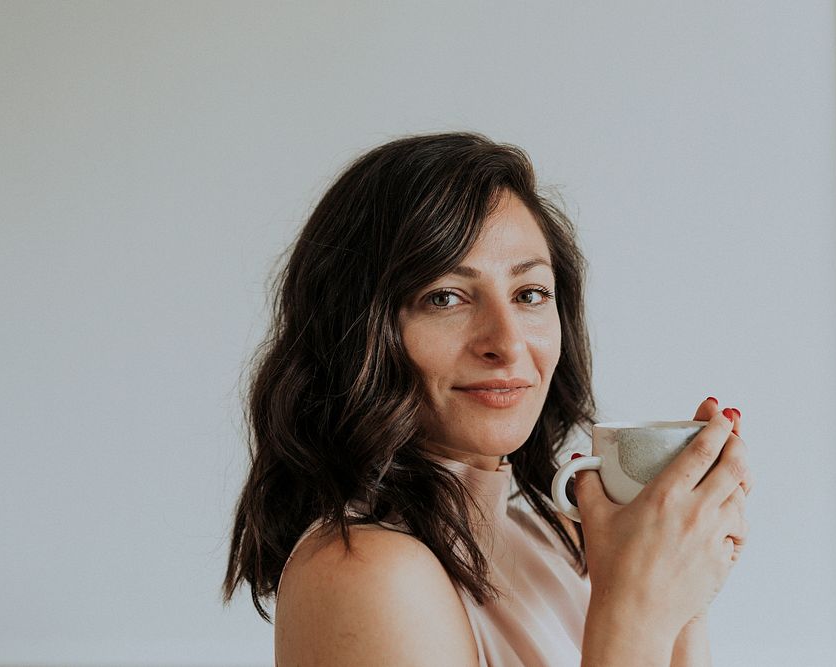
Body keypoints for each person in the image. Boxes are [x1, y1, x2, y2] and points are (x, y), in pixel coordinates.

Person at [221, 132, 752, 666]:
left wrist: (681, 588)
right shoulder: (363, 569)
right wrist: (636, 611)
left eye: (529, 294)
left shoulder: (551, 535)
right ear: (357, 330)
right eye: (445, 297)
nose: (507, 342)